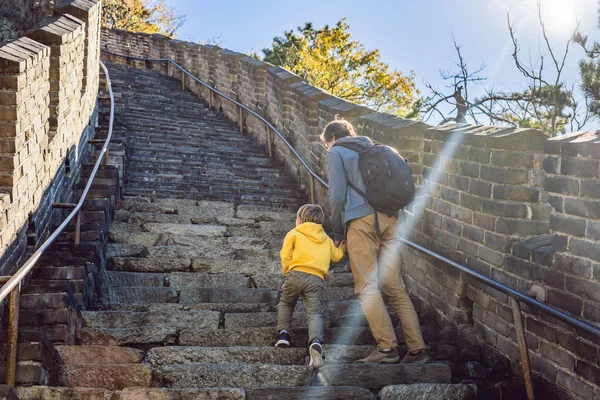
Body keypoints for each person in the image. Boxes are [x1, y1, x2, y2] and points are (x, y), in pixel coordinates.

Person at [321, 118, 429, 364]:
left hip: (361, 222)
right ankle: (418, 349)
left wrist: (338, 232)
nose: (328, 148)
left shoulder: (337, 151)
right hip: (389, 220)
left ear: (331, 139)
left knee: (366, 286)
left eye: (327, 144)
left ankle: (387, 349)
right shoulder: (372, 147)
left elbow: (337, 196)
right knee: (395, 287)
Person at [274, 204, 346, 369]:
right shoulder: (326, 239)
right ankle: (315, 341)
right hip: (316, 279)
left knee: (286, 303)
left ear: (299, 220)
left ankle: (284, 334)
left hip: (295, 274)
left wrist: (287, 272)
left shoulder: (294, 234)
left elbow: (285, 255)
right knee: (314, 313)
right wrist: (342, 246)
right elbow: (336, 256)